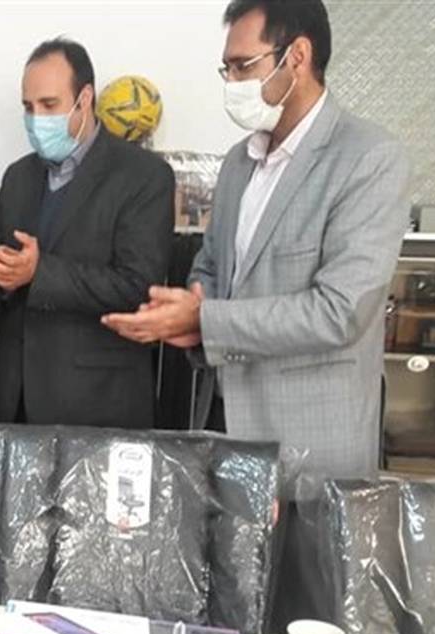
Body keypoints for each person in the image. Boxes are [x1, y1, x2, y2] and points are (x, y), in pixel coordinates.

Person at [102, 0, 410, 480]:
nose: (232, 82)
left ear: (297, 57)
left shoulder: (368, 159)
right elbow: (211, 263)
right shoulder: (238, 162)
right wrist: (193, 310)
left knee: (303, 539)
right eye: (226, 69)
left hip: (313, 444)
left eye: (243, 66)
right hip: (224, 423)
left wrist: (206, 319)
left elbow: (340, 312)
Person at [0, 38, 175, 428]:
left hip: (98, 403)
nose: (36, 119)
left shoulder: (143, 176)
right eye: (28, 107)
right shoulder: (19, 176)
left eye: (49, 105)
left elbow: (138, 285)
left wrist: (39, 273)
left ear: (85, 99)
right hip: (17, 400)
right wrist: (0, 276)